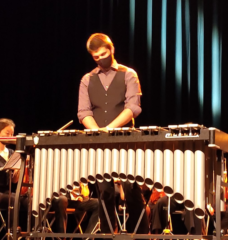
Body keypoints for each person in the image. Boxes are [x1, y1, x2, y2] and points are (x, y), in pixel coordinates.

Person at [77, 33, 148, 235]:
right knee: (105, 193)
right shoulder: (87, 80)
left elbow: (133, 107)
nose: (100, 58)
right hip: (100, 142)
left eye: (103, 54)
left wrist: (111, 129)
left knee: (131, 190)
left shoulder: (128, 74)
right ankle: (107, 234)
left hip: (126, 142)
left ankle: (140, 235)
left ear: (112, 49)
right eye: (96, 57)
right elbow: (84, 112)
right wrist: (98, 132)